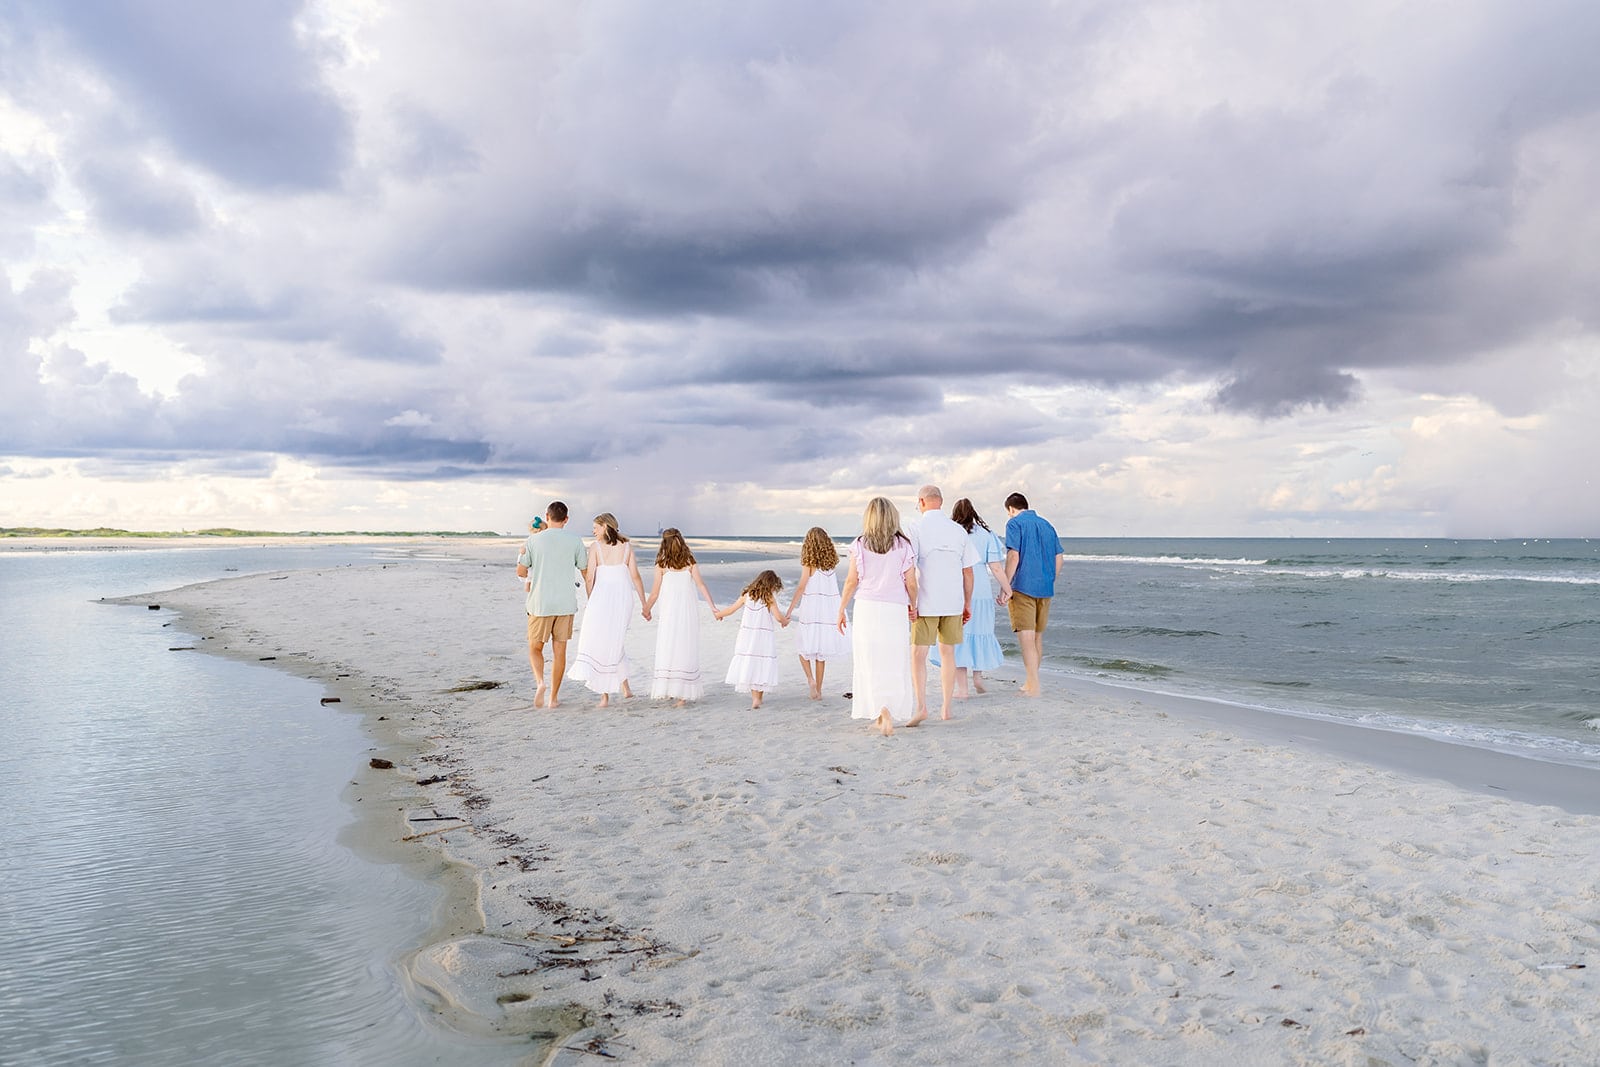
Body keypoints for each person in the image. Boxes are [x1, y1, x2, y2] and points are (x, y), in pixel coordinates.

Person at [836, 497, 918, 736]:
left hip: (867, 608)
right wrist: (914, 605)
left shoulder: (860, 544)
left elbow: (852, 581)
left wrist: (841, 609)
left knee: (870, 661)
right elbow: (911, 583)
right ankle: (887, 714)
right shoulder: (903, 545)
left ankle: (882, 714)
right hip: (894, 609)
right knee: (894, 660)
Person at [907, 484, 979, 723]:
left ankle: (922, 706)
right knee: (948, 654)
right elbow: (968, 572)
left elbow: (910, 569)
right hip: (953, 601)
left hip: (926, 601)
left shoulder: (915, 528)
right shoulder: (958, 531)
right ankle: (946, 708)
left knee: (918, 654)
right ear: (941, 501)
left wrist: (911, 602)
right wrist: (967, 603)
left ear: (922, 502)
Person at [568, 512, 650, 707]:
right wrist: (644, 603)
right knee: (615, 640)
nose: (593, 531)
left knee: (603, 642)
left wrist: (591, 599)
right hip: (623, 599)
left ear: (605, 526)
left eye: (595, 527)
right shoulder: (627, 547)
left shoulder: (595, 548)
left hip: (602, 599)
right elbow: (636, 577)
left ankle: (604, 695)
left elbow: (589, 578)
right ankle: (626, 688)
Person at [932, 498, 1012, 698]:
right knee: (981, 631)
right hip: (982, 590)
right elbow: (995, 567)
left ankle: (962, 689)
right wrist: (1007, 589)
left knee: (958, 636)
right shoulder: (986, 534)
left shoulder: (951, 532)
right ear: (974, 513)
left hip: (957, 587)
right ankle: (978, 677)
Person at [516, 501, 588, 708]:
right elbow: (584, 570)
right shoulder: (575, 541)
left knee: (535, 648)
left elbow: (521, 571)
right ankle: (553, 698)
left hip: (540, 603)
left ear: (546, 516)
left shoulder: (533, 540)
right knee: (560, 652)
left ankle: (540, 682)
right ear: (566, 519)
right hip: (565, 603)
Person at [643, 528, 719, 707]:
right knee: (683, 646)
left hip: (671, 613)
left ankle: (675, 691)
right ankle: (679, 694)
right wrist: (712, 606)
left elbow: (654, 593)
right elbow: (701, 585)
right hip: (685, 612)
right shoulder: (689, 561)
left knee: (669, 646)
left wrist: (646, 609)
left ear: (664, 544)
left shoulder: (661, 564)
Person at [1002, 492, 1064, 698]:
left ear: (1011, 509)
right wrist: (1050, 579)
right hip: (1045, 587)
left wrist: (1005, 584)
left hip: (1023, 586)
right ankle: (1031, 681)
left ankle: (1034, 685)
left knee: (1026, 638)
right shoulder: (1047, 525)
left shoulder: (1014, 524)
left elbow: (1013, 556)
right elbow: (1059, 558)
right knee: (1037, 637)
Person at [781, 527, 850, 700]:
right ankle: (818, 691)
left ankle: (811, 680)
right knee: (821, 653)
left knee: (802, 646)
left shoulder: (809, 563)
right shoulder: (831, 563)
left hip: (811, 608)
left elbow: (801, 587)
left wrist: (789, 611)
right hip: (828, 610)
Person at [714, 570, 787, 709]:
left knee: (751, 662)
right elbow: (778, 617)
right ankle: (758, 698)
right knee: (761, 663)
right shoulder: (769, 598)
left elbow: (731, 609)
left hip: (747, 637)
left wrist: (719, 614)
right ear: (771, 585)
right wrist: (785, 621)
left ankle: (755, 699)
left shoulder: (746, 595)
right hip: (763, 637)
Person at [518, 516, 545, 592]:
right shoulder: (530, 541)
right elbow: (523, 548)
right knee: (529, 579)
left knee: (530, 579)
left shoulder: (538, 541)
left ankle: (529, 593)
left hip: (533, 564)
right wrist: (522, 551)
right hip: (528, 563)